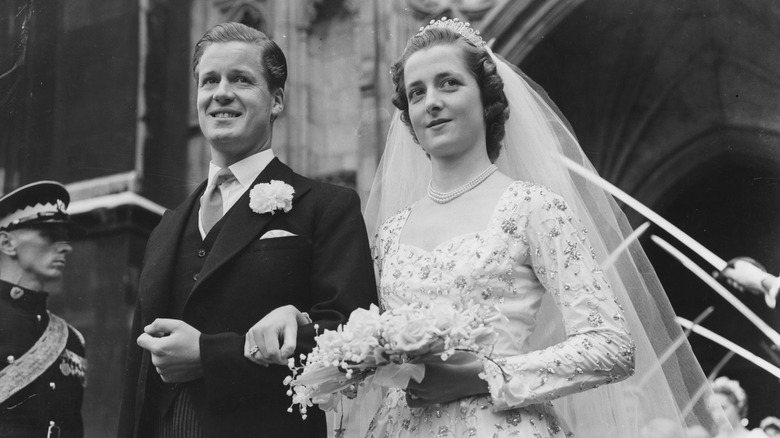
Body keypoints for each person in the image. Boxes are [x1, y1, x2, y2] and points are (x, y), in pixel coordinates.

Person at [358, 17, 729, 437]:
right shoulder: (389, 233)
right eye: (417, 92)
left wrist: (487, 374)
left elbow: (611, 345)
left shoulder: (531, 207)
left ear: (486, 100)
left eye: (449, 83)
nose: (431, 102)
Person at [117, 22, 377, 438]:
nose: (221, 92)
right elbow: (138, 380)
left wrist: (211, 355)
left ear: (276, 100)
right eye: (209, 81)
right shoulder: (165, 228)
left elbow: (353, 338)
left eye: (241, 79)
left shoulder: (326, 207)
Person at [0, 181, 86, 438]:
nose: (66, 247)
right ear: (7, 243)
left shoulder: (72, 339)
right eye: (49, 235)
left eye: (65, 238)